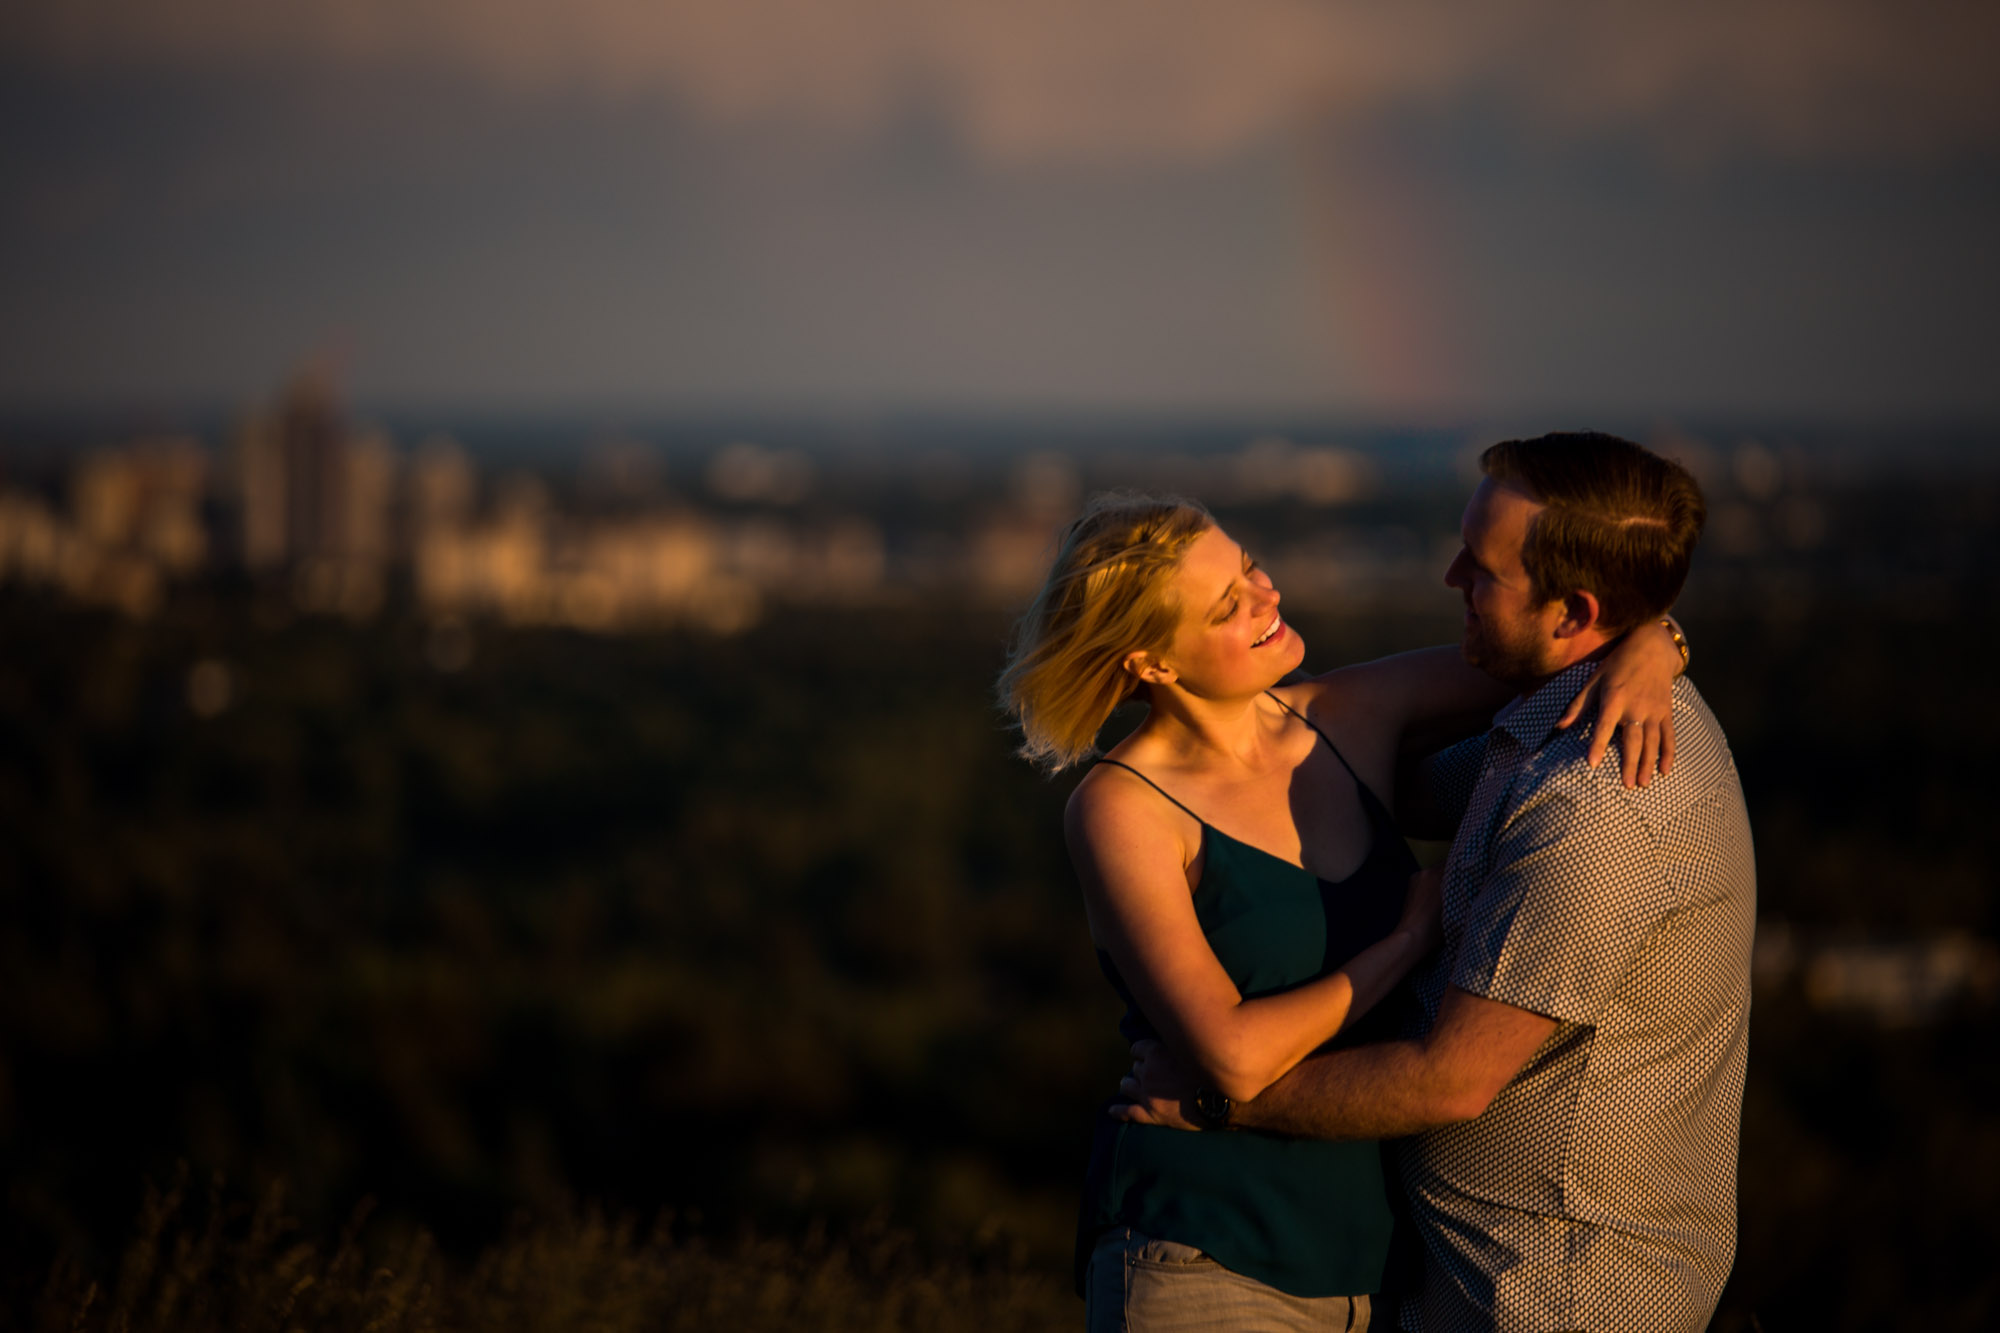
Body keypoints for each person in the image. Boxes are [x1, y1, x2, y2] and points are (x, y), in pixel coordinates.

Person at [997, 486, 1690, 1331]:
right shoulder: (1123, 807)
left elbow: (1556, 643)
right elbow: (1235, 1058)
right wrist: (1405, 940)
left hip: (1369, 1267)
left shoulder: (1346, 716)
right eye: (1228, 605)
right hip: (1201, 1253)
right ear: (1153, 663)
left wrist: (1658, 642)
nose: (1268, 596)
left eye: (1251, 567)